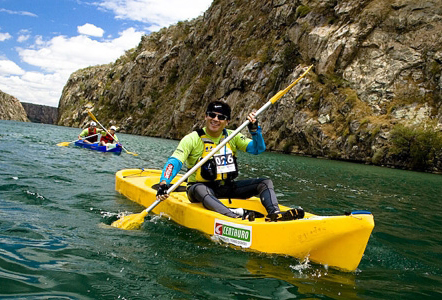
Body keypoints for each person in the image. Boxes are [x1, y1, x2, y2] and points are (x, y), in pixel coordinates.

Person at [156, 101, 303, 221]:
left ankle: (275, 213)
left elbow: (257, 149)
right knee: (201, 188)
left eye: (221, 117)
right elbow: (174, 161)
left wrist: (254, 130)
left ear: (227, 121)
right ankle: (234, 216)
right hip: (199, 190)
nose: (215, 119)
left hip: (226, 188)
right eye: (212, 115)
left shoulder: (233, 137)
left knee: (265, 182)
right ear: (206, 116)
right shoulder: (192, 139)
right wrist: (164, 183)